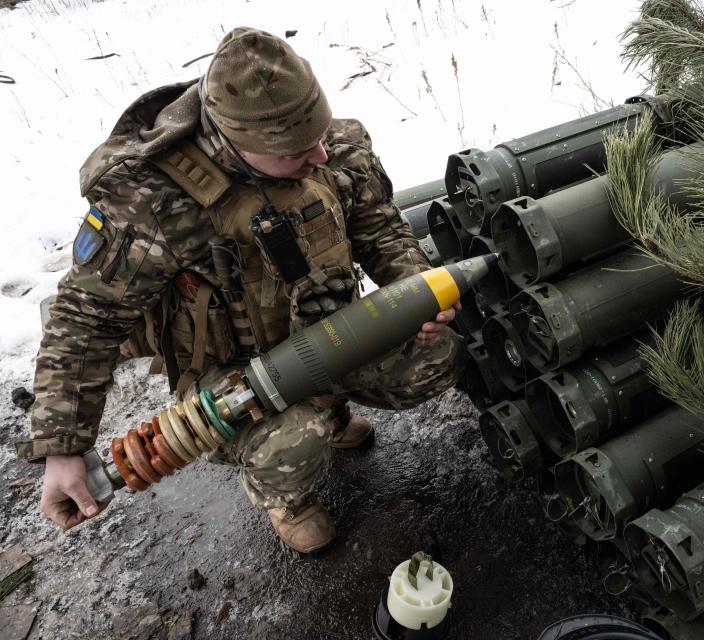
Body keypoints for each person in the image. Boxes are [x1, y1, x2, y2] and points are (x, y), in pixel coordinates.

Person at [15, 27, 463, 554]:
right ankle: (286, 495)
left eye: (318, 134)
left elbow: (379, 228)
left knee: (435, 356)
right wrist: (63, 448)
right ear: (236, 145)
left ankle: (331, 406)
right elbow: (85, 320)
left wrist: (414, 289)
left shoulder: (335, 146)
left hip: (331, 333)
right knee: (292, 442)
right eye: (296, 152)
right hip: (231, 375)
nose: (319, 154)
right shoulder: (152, 202)